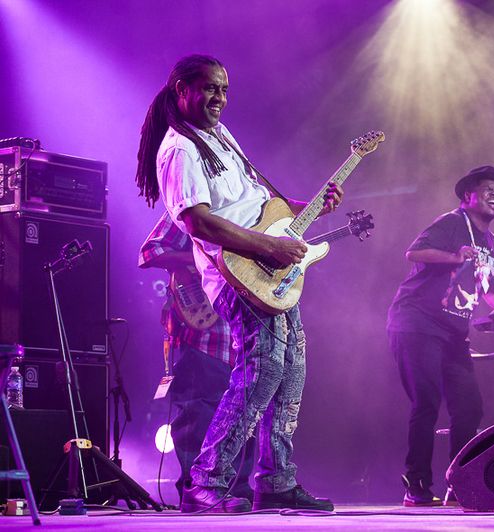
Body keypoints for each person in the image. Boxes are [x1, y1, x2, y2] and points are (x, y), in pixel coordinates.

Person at [135, 54, 342, 513]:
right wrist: (266, 249)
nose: (219, 99)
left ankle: (275, 479)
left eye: (224, 90)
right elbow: (198, 221)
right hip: (238, 274)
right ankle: (205, 482)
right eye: (209, 88)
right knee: (263, 369)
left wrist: (310, 206)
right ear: (181, 89)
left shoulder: (218, 136)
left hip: (271, 269)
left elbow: (256, 203)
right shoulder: (179, 149)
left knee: (291, 369)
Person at [386, 166, 494, 506]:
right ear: (466, 197)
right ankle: (416, 485)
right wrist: (454, 257)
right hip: (418, 322)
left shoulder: (493, 244)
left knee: (470, 409)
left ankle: (460, 483)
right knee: (426, 401)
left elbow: (493, 293)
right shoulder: (452, 223)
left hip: (454, 335)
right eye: (487, 188)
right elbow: (414, 253)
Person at [138, 211, 256, 504]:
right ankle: (197, 491)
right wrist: (203, 261)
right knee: (199, 411)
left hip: (240, 336)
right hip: (202, 333)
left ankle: (236, 489)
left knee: (246, 417)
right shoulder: (193, 206)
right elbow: (151, 251)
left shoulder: (251, 209)